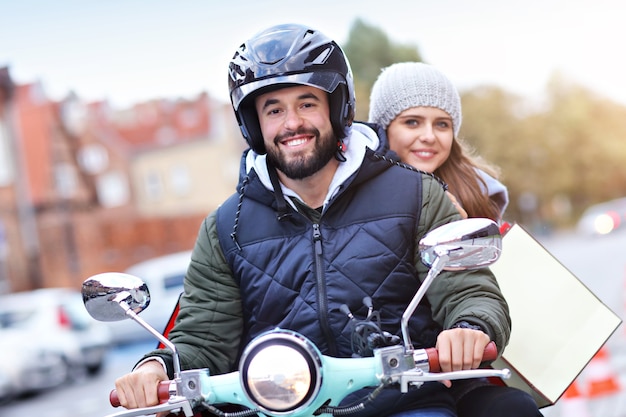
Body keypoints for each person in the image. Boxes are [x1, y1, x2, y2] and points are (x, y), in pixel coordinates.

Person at [113, 24, 511, 417]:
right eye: (273, 110)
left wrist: (469, 327)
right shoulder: (224, 228)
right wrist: (156, 368)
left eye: (306, 103)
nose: (291, 124)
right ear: (254, 126)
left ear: (337, 109)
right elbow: (203, 336)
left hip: (403, 404)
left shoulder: (416, 194)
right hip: (279, 411)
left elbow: (467, 289)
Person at [369, 62, 542, 417]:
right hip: (396, 368)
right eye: (412, 122)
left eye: (442, 124)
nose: (430, 136)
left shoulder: (475, 193)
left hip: (464, 360)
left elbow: (483, 289)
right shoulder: (361, 199)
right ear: (384, 128)